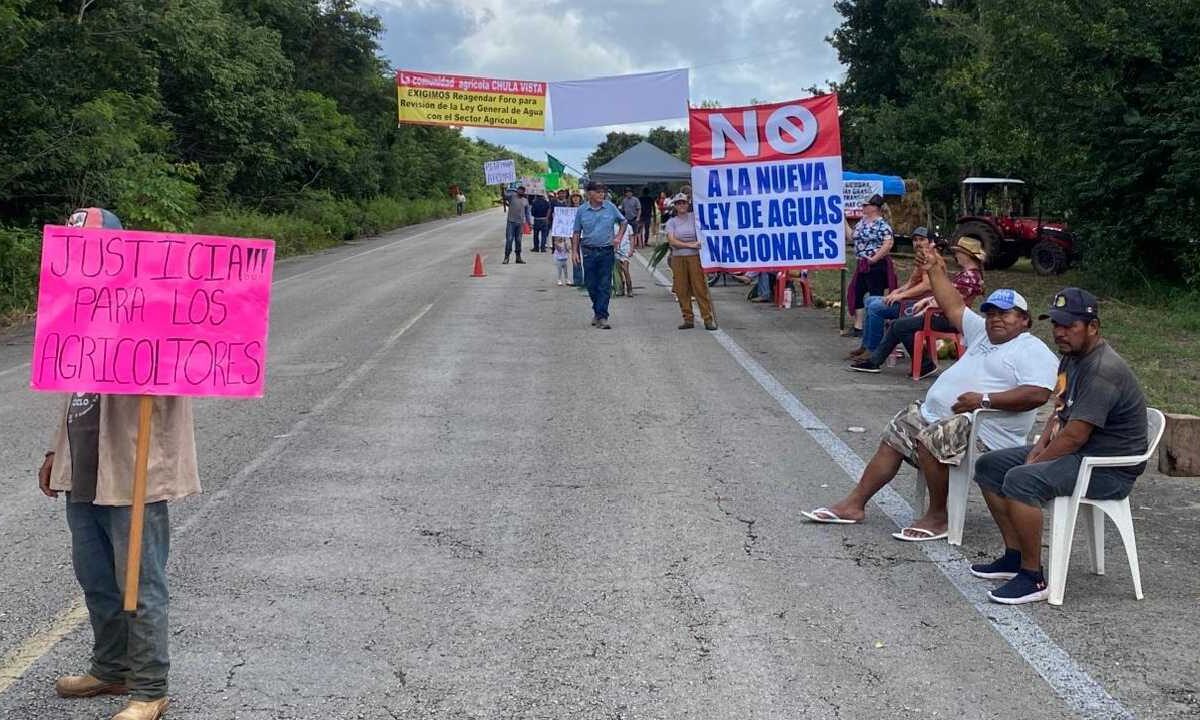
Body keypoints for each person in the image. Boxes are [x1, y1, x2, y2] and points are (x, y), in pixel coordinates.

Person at [38, 208, 197, 720]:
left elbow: (196, 367)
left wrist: (158, 355)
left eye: (93, 248)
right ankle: (111, 668)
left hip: (132, 470)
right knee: (96, 578)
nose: (83, 258)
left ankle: (150, 688)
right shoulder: (76, 309)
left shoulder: (160, 306)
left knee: (140, 585)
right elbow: (71, 388)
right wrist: (54, 451)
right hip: (83, 468)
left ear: (121, 249)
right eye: (75, 248)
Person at [803, 244, 1057, 540]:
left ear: (1024, 320)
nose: (995, 319)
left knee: (932, 436)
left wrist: (984, 400)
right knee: (900, 426)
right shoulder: (982, 333)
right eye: (990, 313)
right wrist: (934, 268)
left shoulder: (1031, 349)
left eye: (1005, 314)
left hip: (987, 434)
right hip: (948, 421)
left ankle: (938, 515)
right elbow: (953, 306)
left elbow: (1038, 394)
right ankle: (854, 504)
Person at [970, 288, 1148, 605]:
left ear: (1093, 327)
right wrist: (1038, 447)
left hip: (1108, 468)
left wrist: (1034, 463)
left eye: (1069, 325)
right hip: (1081, 454)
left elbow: (1075, 435)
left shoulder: (1102, 370)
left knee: (1021, 479)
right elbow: (1059, 412)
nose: (1060, 332)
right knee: (989, 466)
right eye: (1056, 324)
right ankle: (1015, 556)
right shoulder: (1071, 357)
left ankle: (1033, 577)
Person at [850, 235, 986, 376]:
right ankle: (917, 363)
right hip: (942, 315)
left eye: (958, 252)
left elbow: (950, 300)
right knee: (899, 324)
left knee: (898, 325)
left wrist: (926, 307)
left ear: (966, 255)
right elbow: (945, 294)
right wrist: (925, 301)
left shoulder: (969, 277)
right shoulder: (967, 275)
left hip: (947, 319)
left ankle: (881, 361)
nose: (956, 255)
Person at [848, 227, 934, 359]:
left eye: (922, 240)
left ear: (931, 242)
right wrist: (896, 291)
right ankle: (866, 345)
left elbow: (926, 285)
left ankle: (874, 350)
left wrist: (901, 295)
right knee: (870, 300)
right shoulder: (921, 258)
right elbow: (911, 283)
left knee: (876, 308)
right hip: (911, 300)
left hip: (920, 305)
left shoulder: (931, 258)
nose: (918, 243)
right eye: (915, 240)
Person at [572, 181, 627, 329]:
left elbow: (623, 222)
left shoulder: (610, 207)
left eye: (603, 192)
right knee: (590, 284)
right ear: (589, 193)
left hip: (606, 250)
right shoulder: (582, 210)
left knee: (604, 284)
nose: (601, 194)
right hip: (588, 251)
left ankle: (602, 316)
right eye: (598, 191)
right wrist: (574, 252)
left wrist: (618, 237)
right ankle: (597, 311)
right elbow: (576, 232)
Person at [844, 194, 896, 337]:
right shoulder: (862, 222)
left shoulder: (882, 225)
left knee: (875, 296)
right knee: (856, 292)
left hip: (876, 265)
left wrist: (874, 258)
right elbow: (851, 237)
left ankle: (874, 328)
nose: (863, 207)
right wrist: (843, 221)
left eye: (866, 205)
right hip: (862, 264)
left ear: (874, 208)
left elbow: (888, 244)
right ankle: (859, 327)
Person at [665, 193, 717, 330]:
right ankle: (688, 318)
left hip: (695, 257)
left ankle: (707, 318)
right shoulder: (672, 222)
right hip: (678, 257)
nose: (681, 205)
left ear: (688, 204)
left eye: (683, 202)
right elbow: (672, 241)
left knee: (700, 288)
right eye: (678, 203)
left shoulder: (696, 218)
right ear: (675, 206)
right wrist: (690, 245)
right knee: (682, 289)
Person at [503, 185, 531, 264]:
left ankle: (518, 257)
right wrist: (502, 188)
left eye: (522, 190)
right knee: (509, 239)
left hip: (520, 223)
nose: (521, 191)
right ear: (517, 190)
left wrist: (529, 223)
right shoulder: (512, 197)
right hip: (511, 222)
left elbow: (527, 213)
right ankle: (506, 257)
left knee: (518, 240)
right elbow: (504, 196)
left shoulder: (525, 201)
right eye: (520, 190)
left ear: (524, 192)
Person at [568, 192, 585, 286]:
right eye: (573, 197)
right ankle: (577, 280)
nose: (575, 198)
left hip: (584, 234)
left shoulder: (584, 209)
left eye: (577, 196)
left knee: (586, 256)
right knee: (575, 255)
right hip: (573, 235)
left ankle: (588, 279)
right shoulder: (568, 210)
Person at [615, 222, 634, 297]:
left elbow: (631, 238)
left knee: (625, 269)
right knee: (619, 271)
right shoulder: (614, 226)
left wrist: (631, 249)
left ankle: (629, 289)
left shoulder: (629, 227)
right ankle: (621, 289)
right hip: (616, 250)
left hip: (625, 250)